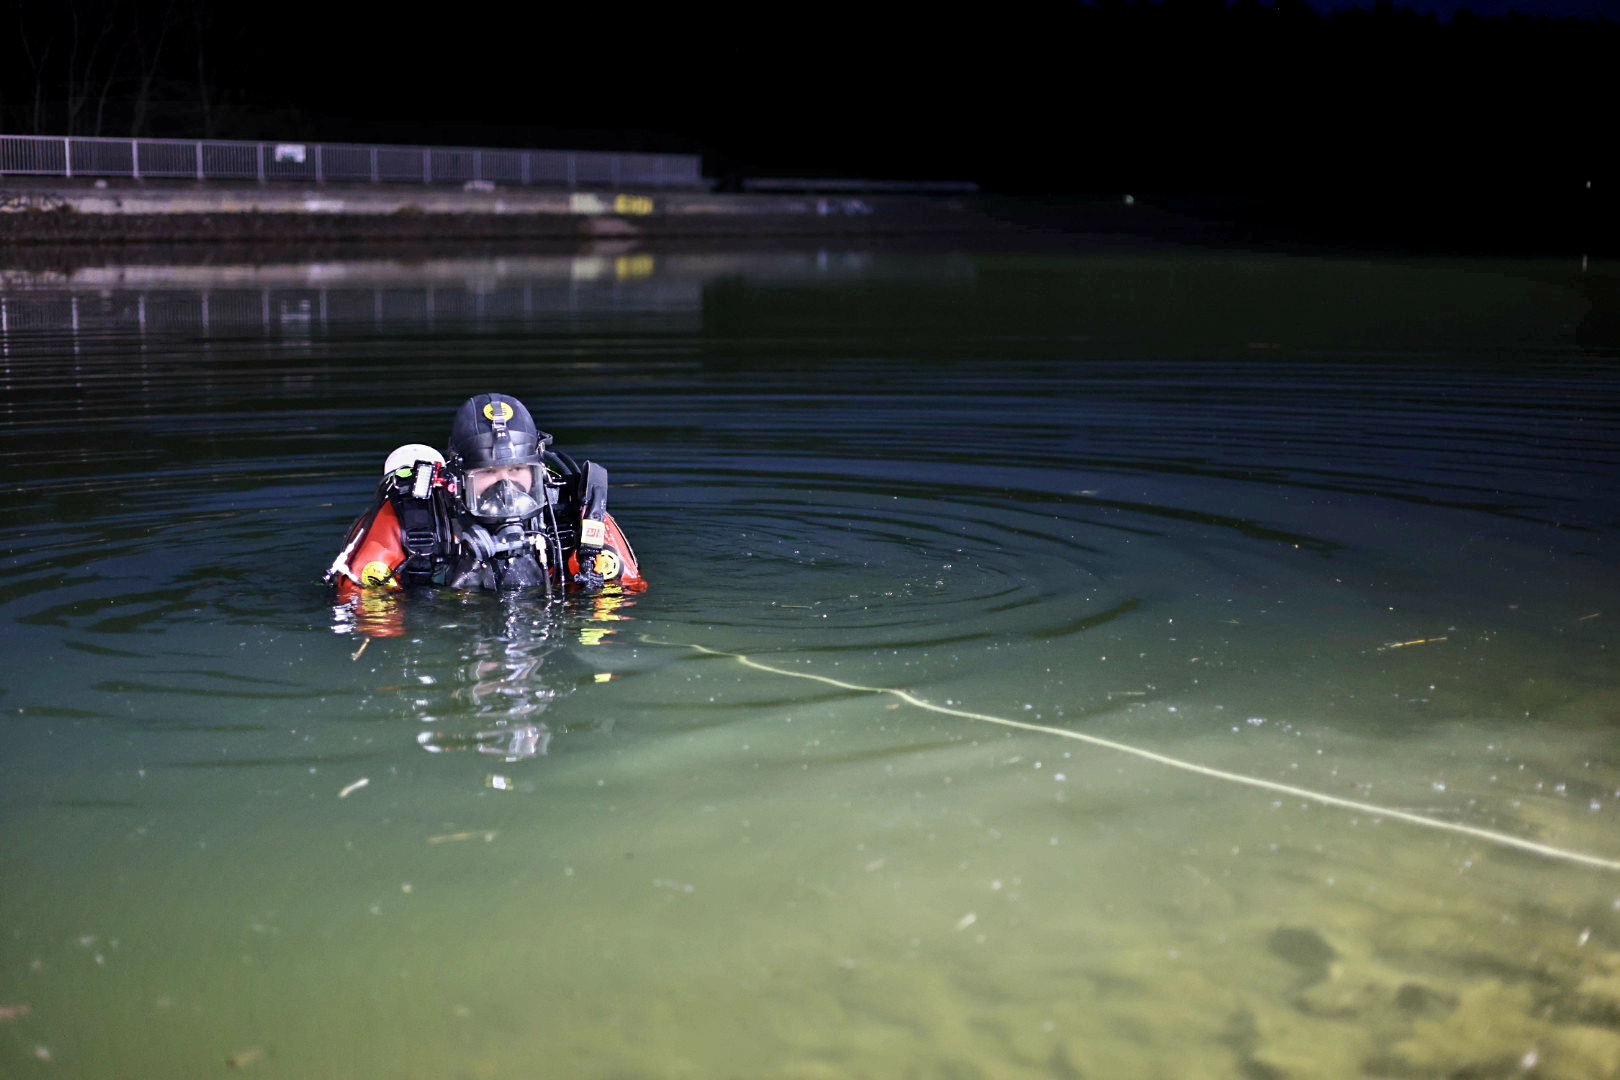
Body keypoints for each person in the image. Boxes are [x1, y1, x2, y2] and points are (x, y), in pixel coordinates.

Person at [326, 392, 643, 602]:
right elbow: (358, 606)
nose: (506, 487)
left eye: (518, 470)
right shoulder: (412, 517)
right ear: (456, 478)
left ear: (539, 470)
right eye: (489, 473)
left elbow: (624, 596)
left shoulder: (571, 513)